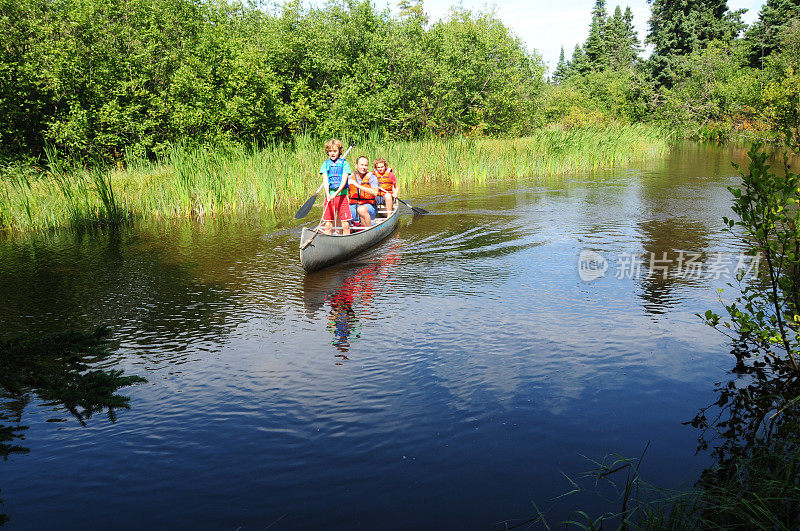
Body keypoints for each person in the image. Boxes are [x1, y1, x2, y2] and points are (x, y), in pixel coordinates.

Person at [319, 139, 352, 235]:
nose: (332, 153)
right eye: (330, 151)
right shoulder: (325, 164)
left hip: (342, 196)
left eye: (334, 151)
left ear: (339, 151)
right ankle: (328, 241)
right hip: (329, 197)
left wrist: (336, 193)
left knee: (345, 225)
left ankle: (346, 242)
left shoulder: (344, 164)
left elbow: (344, 181)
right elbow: (325, 181)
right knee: (328, 225)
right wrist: (328, 194)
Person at [348, 155, 381, 227]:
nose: (364, 167)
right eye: (361, 165)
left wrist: (357, 185)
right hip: (353, 206)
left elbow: (375, 192)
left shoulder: (372, 177)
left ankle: (369, 231)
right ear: (356, 166)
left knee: (361, 209)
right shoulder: (350, 177)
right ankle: (339, 231)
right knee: (339, 208)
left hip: (369, 207)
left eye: (366, 165)